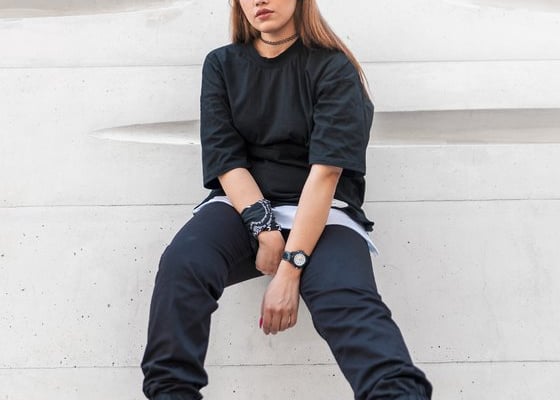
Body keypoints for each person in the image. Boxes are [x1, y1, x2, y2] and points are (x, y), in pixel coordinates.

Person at [141, 0, 433, 399]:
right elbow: (226, 161)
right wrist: (265, 231)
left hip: (323, 211)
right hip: (242, 205)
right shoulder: (222, 65)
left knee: (347, 301)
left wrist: (290, 268)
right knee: (182, 265)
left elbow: (325, 174)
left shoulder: (333, 68)